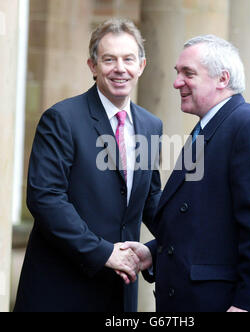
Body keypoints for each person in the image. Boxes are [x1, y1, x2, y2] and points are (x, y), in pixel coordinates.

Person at [121, 35, 250, 312]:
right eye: (177, 73)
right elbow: (205, 225)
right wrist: (153, 252)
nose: (177, 82)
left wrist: (248, 305)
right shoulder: (209, 128)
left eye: (188, 73)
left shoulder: (249, 128)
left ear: (222, 79)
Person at [14, 18, 162, 312]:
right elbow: (46, 199)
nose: (120, 68)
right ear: (93, 66)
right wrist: (104, 252)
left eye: (128, 59)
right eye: (109, 59)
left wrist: (178, 239)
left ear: (141, 66)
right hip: (61, 290)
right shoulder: (61, 119)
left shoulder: (150, 125)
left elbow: (151, 200)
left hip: (119, 292)